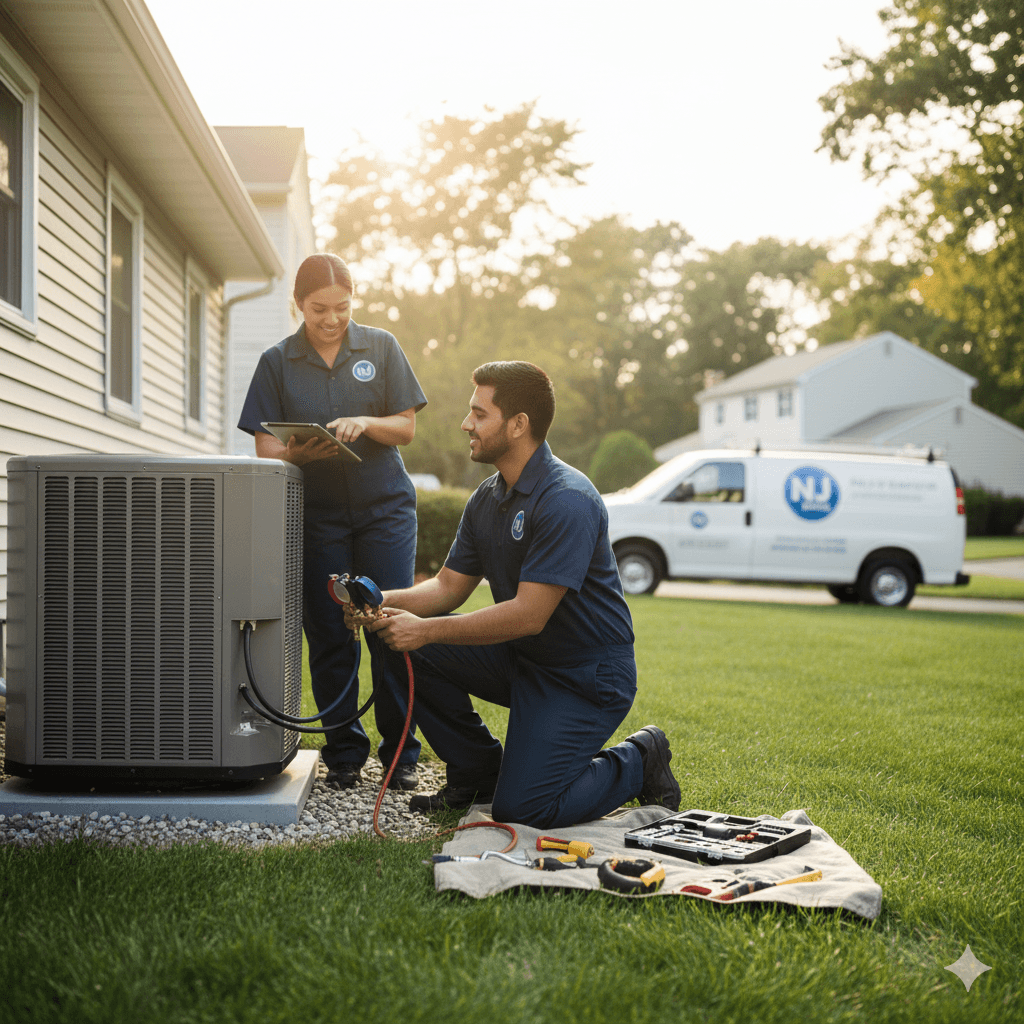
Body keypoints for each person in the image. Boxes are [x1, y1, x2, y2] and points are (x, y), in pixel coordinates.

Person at [362, 361, 680, 829]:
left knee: (525, 811)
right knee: (396, 639)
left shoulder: (567, 498)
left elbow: (529, 614)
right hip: (525, 660)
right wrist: (374, 600)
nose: (466, 423)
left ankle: (639, 758)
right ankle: (476, 773)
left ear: (518, 425)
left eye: (479, 413)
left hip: (585, 676)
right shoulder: (488, 498)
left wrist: (425, 631)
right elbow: (448, 587)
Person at [237, 253, 425, 791]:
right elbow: (266, 448)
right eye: (320, 308)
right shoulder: (277, 361)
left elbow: (406, 427)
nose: (332, 318)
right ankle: (345, 751)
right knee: (328, 631)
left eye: (342, 307)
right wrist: (300, 454)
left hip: (385, 510)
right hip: (317, 517)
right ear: (298, 304)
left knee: (388, 625)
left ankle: (401, 755)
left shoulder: (382, 347)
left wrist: (365, 421)